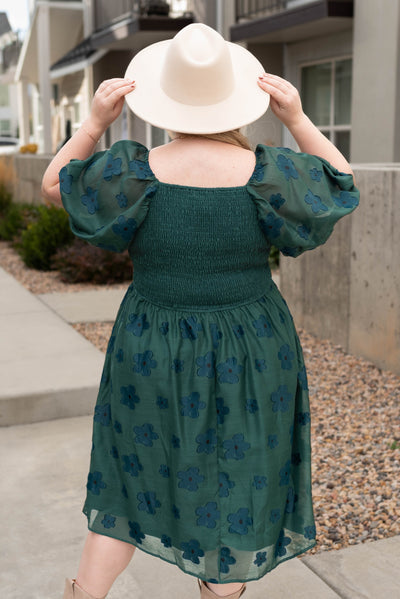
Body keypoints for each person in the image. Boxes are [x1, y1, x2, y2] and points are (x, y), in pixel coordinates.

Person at [42, 23, 359, 599]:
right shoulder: (269, 175)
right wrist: (296, 118)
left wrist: (92, 124)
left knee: (129, 473)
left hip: (152, 341)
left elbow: (53, 186)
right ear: (239, 100)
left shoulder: (133, 173)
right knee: (235, 478)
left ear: (164, 98)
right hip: (253, 347)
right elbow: (340, 181)